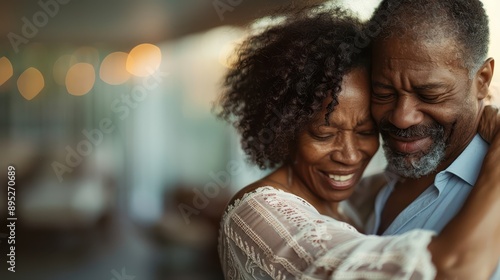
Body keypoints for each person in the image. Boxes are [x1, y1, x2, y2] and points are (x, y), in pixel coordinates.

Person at [216, 6, 500, 280]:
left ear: (483, 79)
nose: (350, 157)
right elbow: (452, 270)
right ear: (284, 128)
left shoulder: (361, 197)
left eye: (365, 132)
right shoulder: (259, 215)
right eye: (324, 134)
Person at [364, 0, 499, 278]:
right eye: (384, 93)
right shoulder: (373, 185)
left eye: (430, 95)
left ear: (482, 80)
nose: (402, 118)